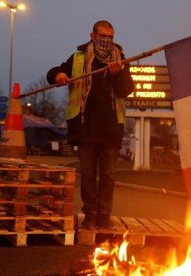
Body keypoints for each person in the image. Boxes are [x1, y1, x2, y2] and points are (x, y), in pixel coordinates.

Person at [47, 20, 134, 229]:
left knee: (108, 175)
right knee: (87, 175)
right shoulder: (78, 58)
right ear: (92, 36)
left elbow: (127, 90)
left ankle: (104, 214)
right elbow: (55, 71)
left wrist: (117, 75)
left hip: (111, 129)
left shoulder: (120, 60)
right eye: (102, 36)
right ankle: (91, 215)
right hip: (85, 128)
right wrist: (58, 75)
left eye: (110, 37)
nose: (107, 41)